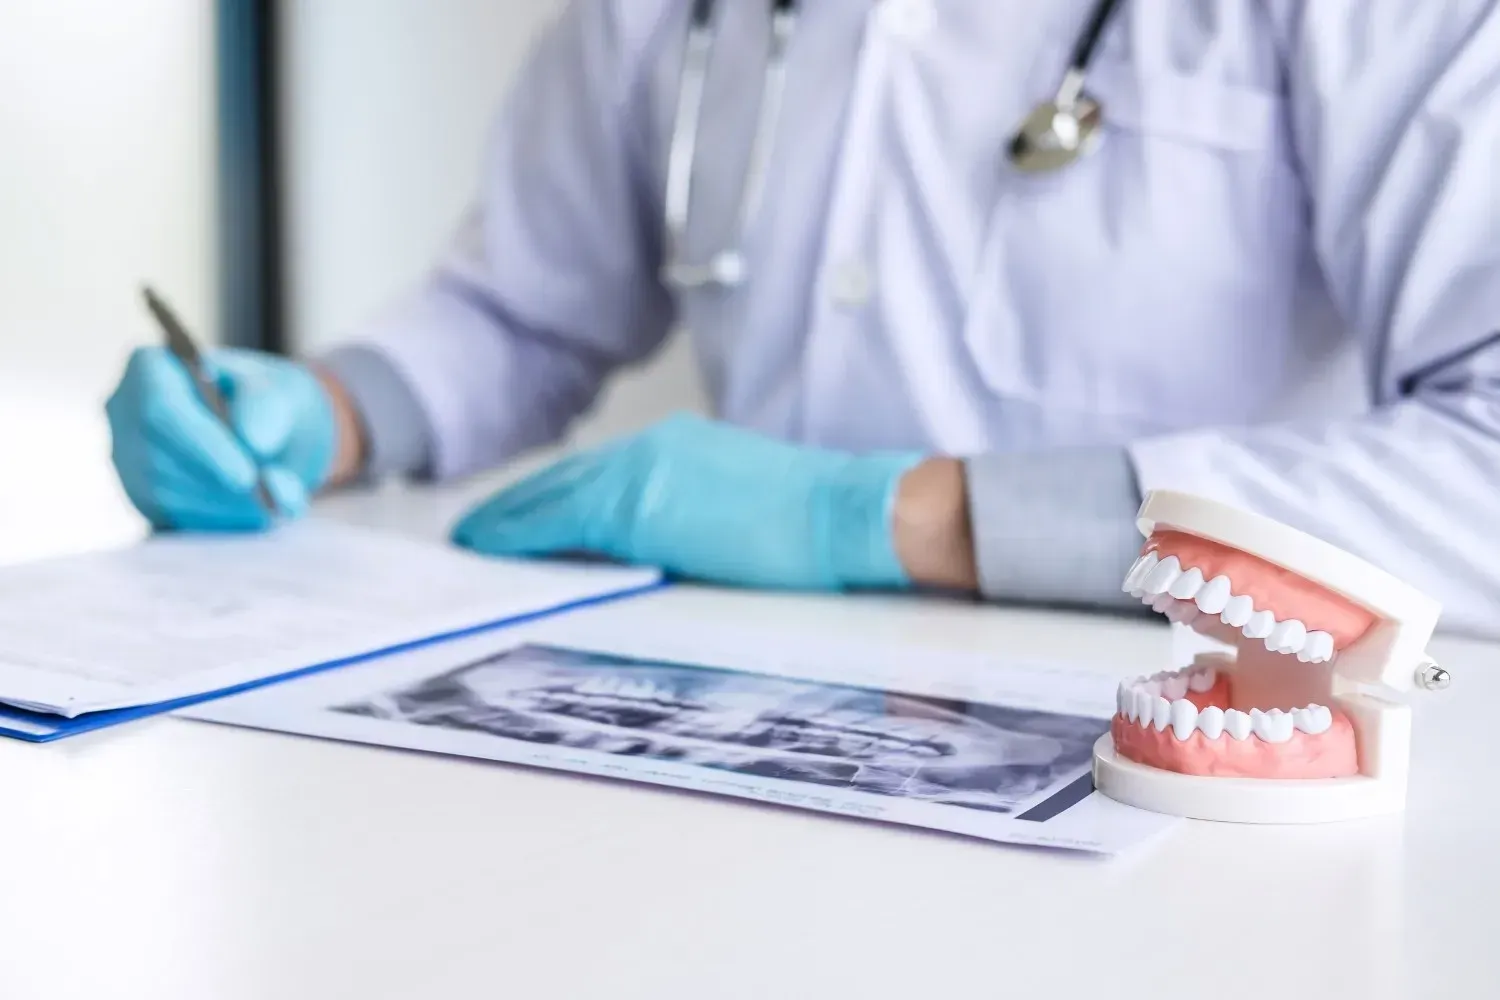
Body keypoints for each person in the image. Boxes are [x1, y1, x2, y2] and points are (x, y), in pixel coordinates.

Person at [105, 0, 1500, 636]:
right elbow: (524, 309)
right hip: (733, 710)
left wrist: (885, 515)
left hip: (1189, 727)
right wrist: (321, 411)